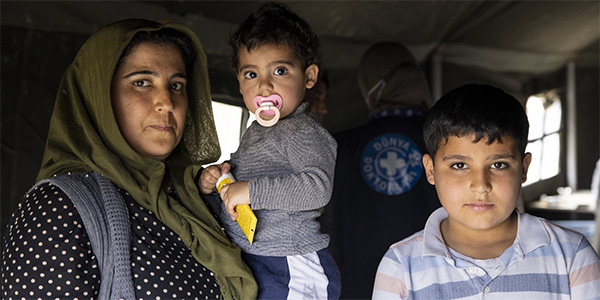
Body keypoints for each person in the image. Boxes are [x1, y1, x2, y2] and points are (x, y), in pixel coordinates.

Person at [1, 19, 257, 299]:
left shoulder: (197, 199)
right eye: (142, 82)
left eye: (176, 85)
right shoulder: (58, 209)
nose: (167, 102)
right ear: (99, 96)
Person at [372, 84, 600, 299]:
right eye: (459, 165)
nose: (480, 185)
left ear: (523, 168)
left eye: (498, 165)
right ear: (431, 170)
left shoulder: (572, 256)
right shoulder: (401, 266)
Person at [199, 3, 340, 299]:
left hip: (290, 262)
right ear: (239, 82)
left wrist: (250, 190)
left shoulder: (305, 131)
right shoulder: (256, 133)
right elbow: (244, 181)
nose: (264, 86)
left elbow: (317, 189)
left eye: (280, 70)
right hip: (255, 257)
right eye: (251, 75)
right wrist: (218, 180)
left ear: (309, 76)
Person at [321, 42, 440, 299]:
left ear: (368, 85)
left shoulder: (340, 146)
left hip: (359, 288)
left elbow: (324, 226)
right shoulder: (446, 143)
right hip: (436, 285)